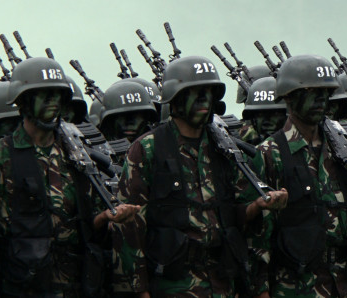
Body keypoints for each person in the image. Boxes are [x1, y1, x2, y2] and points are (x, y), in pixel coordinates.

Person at [115, 54, 283, 297]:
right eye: (196, 91)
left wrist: (257, 205)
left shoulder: (224, 149)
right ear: (176, 97)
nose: (205, 98)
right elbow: (131, 228)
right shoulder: (148, 149)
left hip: (224, 280)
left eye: (209, 91)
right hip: (173, 284)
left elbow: (238, 216)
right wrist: (139, 291)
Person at [0, 56, 135, 298]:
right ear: (24, 101)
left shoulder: (77, 154)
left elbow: (90, 221)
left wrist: (110, 217)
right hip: (22, 285)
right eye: (44, 95)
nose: (53, 103)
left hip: (75, 283)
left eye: (57, 95)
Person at [249, 54, 347, 298]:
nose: (321, 100)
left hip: (346, 281)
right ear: (289, 95)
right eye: (312, 92)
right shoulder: (270, 154)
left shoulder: (341, 150)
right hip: (296, 285)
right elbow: (258, 236)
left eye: (325, 93)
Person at [238, 75, 287, 146]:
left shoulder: (303, 149)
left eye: (275, 114)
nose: (266, 121)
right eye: (260, 114)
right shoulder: (247, 148)